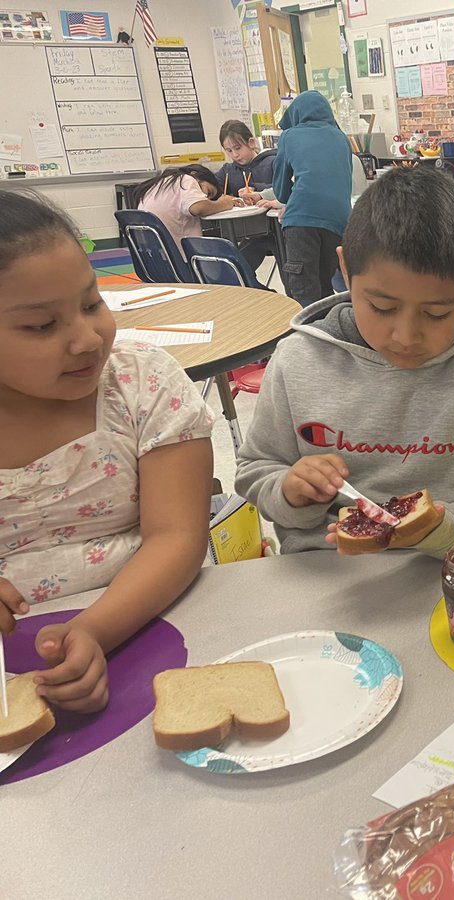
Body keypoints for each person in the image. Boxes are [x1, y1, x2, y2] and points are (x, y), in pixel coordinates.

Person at [234, 166, 454, 557]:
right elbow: (256, 469)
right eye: (382, 307)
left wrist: (448, 526)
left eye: (436, 313)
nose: (406, 335)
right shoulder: (297, 361)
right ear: (346, 271)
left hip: (450, 571)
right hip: (322, 574)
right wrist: (289, 491)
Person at [0, 190, 214, 712]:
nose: (87, 339)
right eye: (41, 326)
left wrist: (93, 630)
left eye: (92, 304)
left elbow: (178, 536)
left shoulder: (140, 384)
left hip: (155, 618)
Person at [262, 90, 352, 306]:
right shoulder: (341, 137)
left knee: (303, 289)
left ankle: (306, 337)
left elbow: (282, 191)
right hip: (339, 221)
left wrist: (293, 198)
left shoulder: (289, 136)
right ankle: (327, 332)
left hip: (301, 221)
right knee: (324, 284)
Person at [132, 164, 241, 253]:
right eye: (207, 191)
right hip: (177, 257)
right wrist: (225, 204)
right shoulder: (186, 179)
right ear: (195, 174)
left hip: (153, 258)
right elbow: (198, 208)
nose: (205, 197)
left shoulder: (160, 183)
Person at [214, 119, 277, 272]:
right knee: (235, 269)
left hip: (277, 230)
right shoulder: (228, 170)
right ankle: (263, 294)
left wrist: (257, 190)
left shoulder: (272, 162)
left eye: (238, 147)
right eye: (229, 151)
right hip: (250, 233)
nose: (235, 154)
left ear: (251, 142)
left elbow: (283, 188)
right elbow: (214, 188)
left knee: (291, 278)